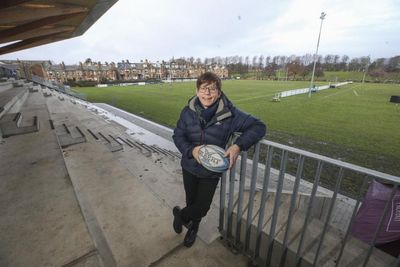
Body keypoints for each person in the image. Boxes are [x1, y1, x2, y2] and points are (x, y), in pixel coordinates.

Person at [172, 72, 266, 247]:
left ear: (219, 92)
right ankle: (193, 227)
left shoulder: (230, 114)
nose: (207, 93)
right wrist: (191, 151)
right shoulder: (187, 112)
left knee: (202, 207)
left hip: (211, 171)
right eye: (203, 88)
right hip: (189, 166)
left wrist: (237, 146)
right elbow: (178, 136)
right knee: (191, 201)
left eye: (212, 89)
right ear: (197, 90)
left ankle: (180, 216)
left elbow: (259, 126)